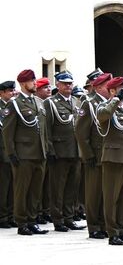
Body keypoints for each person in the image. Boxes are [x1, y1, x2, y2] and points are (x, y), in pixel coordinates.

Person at [2, 70, 50, 236]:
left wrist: (46, 148)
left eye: (34, 80)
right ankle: (22, 222)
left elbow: (43, 129)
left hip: (39, 153)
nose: (35, 83)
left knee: (36, 190)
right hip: (23, 154)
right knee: (22, 190)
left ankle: (32, 219)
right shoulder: (14, 104)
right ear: (23, 84)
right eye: (31, 81)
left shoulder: (38, 102)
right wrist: (11, 154)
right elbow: (7, 132)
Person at [96, 77, 123, 246]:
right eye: (120, 89)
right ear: (112, 91)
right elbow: (103, 116)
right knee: (111, 197)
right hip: (113, 158)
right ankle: (113, 232)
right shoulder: (104, 106)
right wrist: (116, 100)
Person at [44, 71, 84, 232]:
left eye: (70, 83)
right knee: (57, 188)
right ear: (58, 85)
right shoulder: (50, 103)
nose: (68, 86)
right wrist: (50, 150)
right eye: (65, 83)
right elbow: (46, 129)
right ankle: (58, 218)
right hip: (59, 151)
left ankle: (69, 217)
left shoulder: (77, 101)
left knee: (72, 187)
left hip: (75, 150)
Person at [75, 71, 112, 239]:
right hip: (95, 155)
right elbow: (81, 132)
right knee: (94, 193)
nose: (110, 89)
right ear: (98, 87)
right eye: (107, 86)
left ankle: (104, 223)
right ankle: (94, 226)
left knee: (106, 193)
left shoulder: (111, 103)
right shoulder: (89, 104)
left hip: (110, 155)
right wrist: (87, 155)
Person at [0, 80, 15, 229]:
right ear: (2, 93)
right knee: (3, 186)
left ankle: (11, 215)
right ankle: (3, 216)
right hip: (2, 153)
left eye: (12, 91)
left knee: (12, 186)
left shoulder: (13, 106)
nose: (12, 93)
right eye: (9, 91)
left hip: (11, 153)